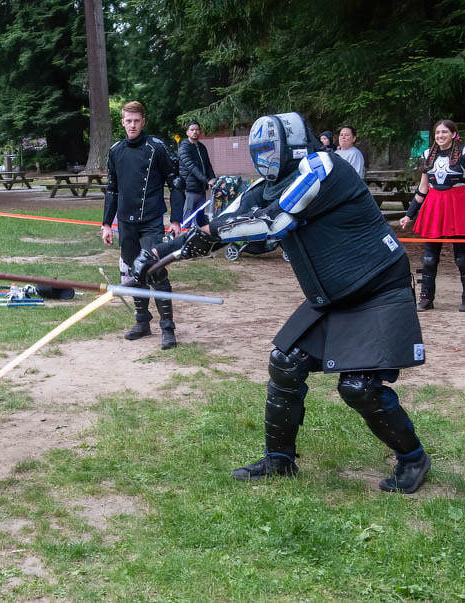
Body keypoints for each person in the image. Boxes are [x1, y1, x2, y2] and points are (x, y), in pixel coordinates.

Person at [132, 112, 431, 494]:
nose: (264, 158)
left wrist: (215, 235)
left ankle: (412, 457)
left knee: (358, 386)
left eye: (269, 149)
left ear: (291, 143)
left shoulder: (321, 166)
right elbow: (221, 219)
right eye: (258, 151)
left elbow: (274, 222)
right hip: (332, 295)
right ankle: (280, 461)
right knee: (286, 362)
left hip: (378, 288)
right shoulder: (266, 185)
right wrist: (156, 253)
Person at [101, 101, 185, 350]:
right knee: (132, 270)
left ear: (143, 121)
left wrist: (177, 220)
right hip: (126, 224)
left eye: (137, 120)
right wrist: (107, 223)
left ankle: (167, 328)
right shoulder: (115, 151)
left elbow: (176, 184)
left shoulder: (157, 148)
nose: (133, 125)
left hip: (151, 222)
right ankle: (142, 321)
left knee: (155, 269)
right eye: (128, 121)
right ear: (123, 122)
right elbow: (112, 190)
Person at [399, 119, 465, 312]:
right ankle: (426, 298)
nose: (440, 136)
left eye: (444, 132)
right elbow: (422, 188)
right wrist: (409, 215)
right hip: (434, 204)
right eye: (437, 133)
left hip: (459, 204)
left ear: (453, 134)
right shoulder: (427, 155)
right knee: (429, 257)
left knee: (462, 256)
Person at [178, 120, 217, 220]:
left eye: (197, 129)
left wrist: (213, 179)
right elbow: (192, 168)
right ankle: (184, 234)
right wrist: (207, 180)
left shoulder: (202, 147)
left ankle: (198, 235)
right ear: (187, 132)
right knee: (188, 217)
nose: (195, 132)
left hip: (201, 189)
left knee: (199, 217)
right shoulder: (184, 148)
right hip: (190, 188)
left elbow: (208, 165)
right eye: (192, 130)